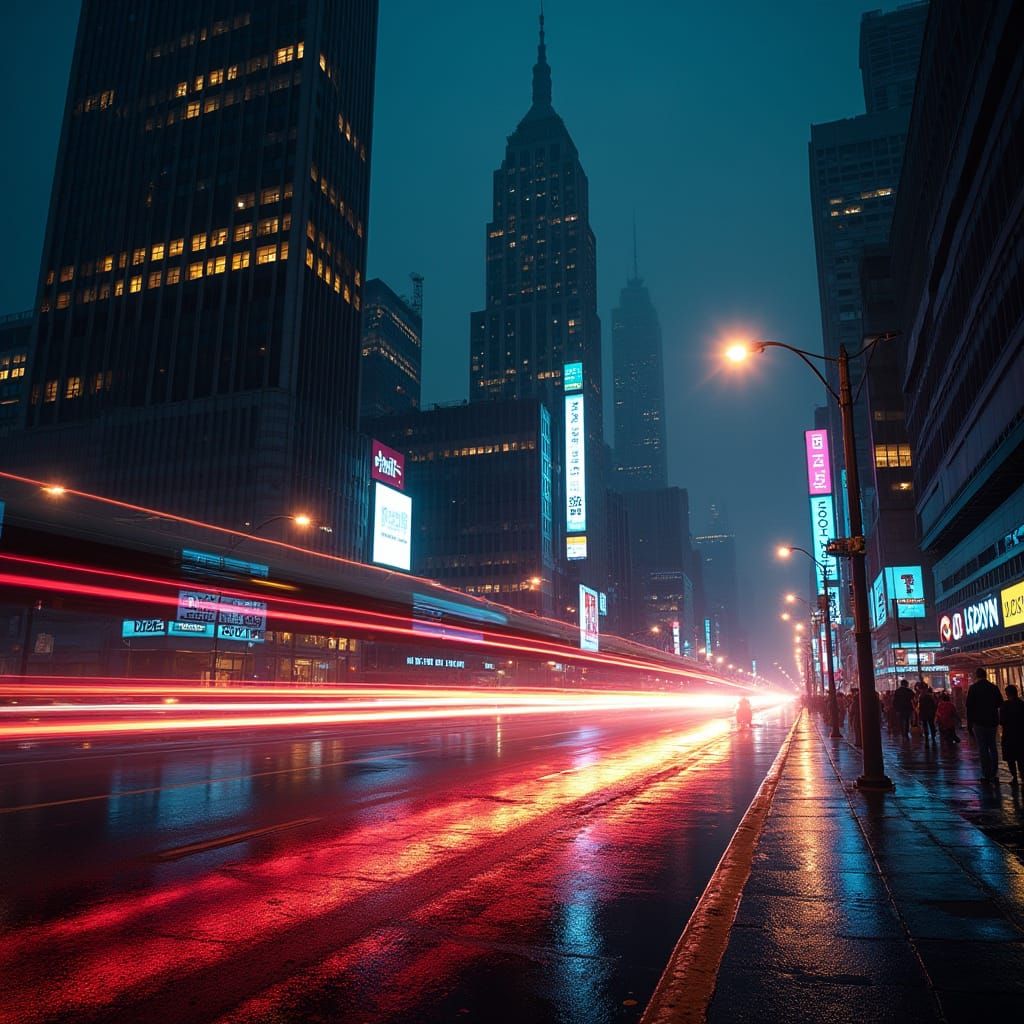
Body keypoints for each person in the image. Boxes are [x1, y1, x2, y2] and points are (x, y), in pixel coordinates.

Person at [966, 667, 1003, 784]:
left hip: (979, 722)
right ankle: (994, 773)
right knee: (993, 746)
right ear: (986, 675)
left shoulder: (973, 688)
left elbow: (969, 707)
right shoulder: (993, 687)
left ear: (976, 676)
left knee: (983, 748)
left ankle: (986, 774)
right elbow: (1000, 703)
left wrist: (969, 723)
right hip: (992, 721)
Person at [998, 684, 1024, 785]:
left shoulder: (1005, 706)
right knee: (1021, 757)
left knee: (1010, 758)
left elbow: (1001, 721)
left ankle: (1014, 777)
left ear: (1007, 694)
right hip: (1021, 734)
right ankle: (1022, 775)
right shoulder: (1022, 704)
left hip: (1008, 734)